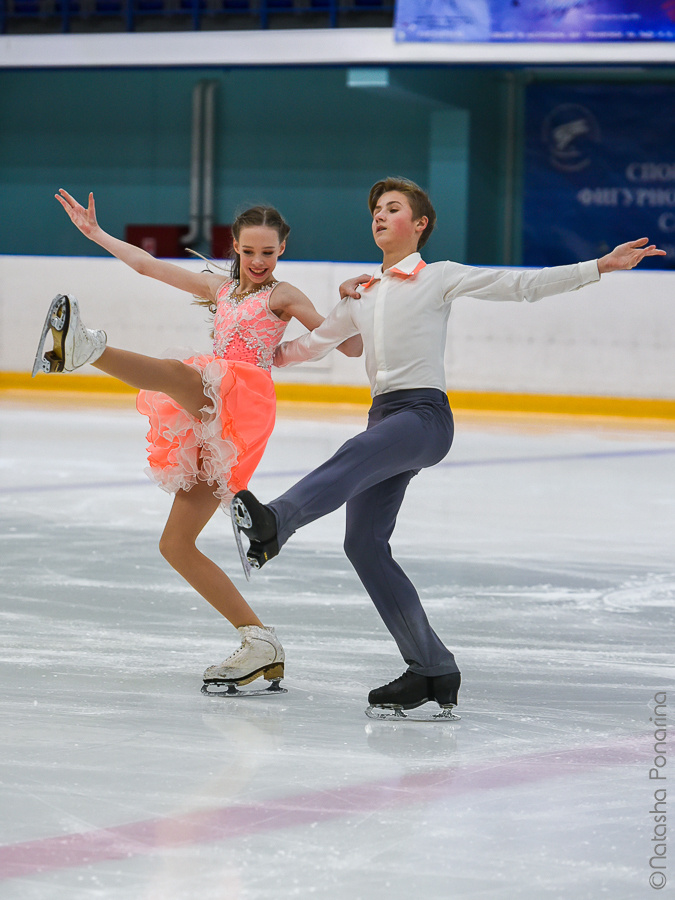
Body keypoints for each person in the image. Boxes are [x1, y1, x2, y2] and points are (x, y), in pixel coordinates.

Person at [229, 175, 666, 717]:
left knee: (355, 452)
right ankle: (430, 667)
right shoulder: (362, 294)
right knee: (363, 544)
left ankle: (275, 522)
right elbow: (307, 348)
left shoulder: (438, 277)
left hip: (423, 417)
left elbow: (522, 286)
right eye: (376, 209)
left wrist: (598, 266)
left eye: (393, 208)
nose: (380, 215)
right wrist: (245, 347)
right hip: (385, 419)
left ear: (420, 224)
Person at [34, 188, 362, 693]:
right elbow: (148, 266)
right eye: (248, 251)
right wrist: (96, 234)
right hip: (211, 413)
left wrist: (351, 300)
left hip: (243, 399)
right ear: (234, 246)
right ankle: (259, 641)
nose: (258, 261)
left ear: (282, 249)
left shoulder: (284, 295)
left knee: (178, 374)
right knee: (175, 544)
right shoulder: (220, 289)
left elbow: (351, 345)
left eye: (268, 252)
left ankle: (86, 349)